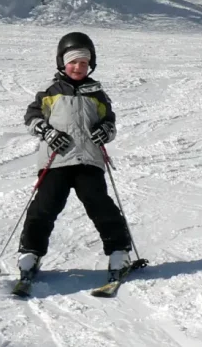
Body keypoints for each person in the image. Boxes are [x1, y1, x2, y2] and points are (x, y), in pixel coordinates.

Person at [18, 32, 132, 280]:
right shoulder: (50, 92)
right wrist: (47, 132)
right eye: (73, 62)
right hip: (56, 160)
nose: (78, 67)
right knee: (45, 206)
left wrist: (105, 130)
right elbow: (32, 117)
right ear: (62, 63)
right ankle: (31, 252)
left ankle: (119, 251)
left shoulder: (97, 93)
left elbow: (109, 121)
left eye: (84, 62)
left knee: (99, 204)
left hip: (88, 160)